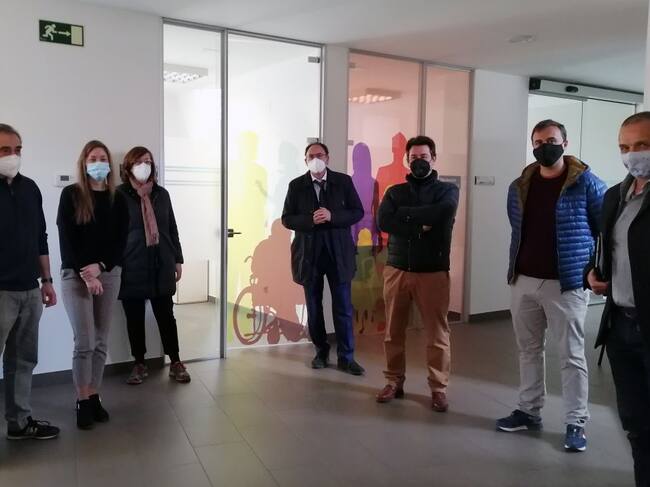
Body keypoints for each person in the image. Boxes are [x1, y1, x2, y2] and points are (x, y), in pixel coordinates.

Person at [497, 119, 606, 452]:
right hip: (524, 280)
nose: (546, 146)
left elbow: (604, 231)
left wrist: (593, 270)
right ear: (532, 145)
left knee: (571, 355)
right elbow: (517, 228)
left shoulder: (588, 184)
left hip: (567, 284)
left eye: (552, 140)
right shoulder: (519, 185)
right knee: (529, 350)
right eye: (539, 141)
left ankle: (576, 421)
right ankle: (529, 411)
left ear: (565, 143)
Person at [586, 112, 650, 486]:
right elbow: (606, 248)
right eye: (624, 147)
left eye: (642, 145)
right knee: (637, 425)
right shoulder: (616, 196)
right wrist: (592, 273)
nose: (632, 154)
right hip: (620, 327)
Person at [375, 135, 459, 412]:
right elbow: (383, 221)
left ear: (433, 158)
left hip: (433, 272)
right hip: (397, 269)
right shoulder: (394, 192)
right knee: (393, 332)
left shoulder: (448, 191)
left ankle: (438, 388)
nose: (419, 162)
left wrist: (404, 215)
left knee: (437, 334)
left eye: (424, 157)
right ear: (406, 160)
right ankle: (393, 381)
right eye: (414, 158)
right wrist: (417, 226)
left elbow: (443, 213)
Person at [57, 140, 128, 429]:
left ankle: (94, 394)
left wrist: (101, 267)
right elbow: (67, 239)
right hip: (75, 275)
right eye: (93, 158)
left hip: (108, 274)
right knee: (84, 341)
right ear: (84, 163)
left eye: (102, 158)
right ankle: (82, 399)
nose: (98, 162)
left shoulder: (118, 199)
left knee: (100, 340)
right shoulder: (71, 195)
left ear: (109, 164)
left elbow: (120, 241)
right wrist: (87, 274)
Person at [282, 142, 365, 375]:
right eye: (311, 156)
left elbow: (357, 212)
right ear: (305, 160)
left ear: (328, 158)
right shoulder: (296, 185)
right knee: (314, 307)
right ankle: (321, 351)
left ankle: (347, 357)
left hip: (338, 253)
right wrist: (310, 220)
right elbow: (287, 218)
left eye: (320, 155)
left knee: (343, 307)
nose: (315, 159)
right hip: (309, 255)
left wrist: (332, 216)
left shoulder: (343, 181)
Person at [0, 123, 60, 440]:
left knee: (22, 360)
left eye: (17, 150)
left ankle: (19, 423)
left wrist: (46, 280)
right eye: (4, 150)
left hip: (29, 290)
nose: (13, 156)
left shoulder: (30, 188)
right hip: (1, 293)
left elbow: (41, 237)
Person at [117, 146, 190, 385]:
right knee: (134, 318)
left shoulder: (162, 194)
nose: (144, 166)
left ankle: (176, 361)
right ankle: (139, 363)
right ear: (128, 166)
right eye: (139, 161)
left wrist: (177, 259)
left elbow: (172, 228)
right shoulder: (118, 195)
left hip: (162, 264)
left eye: (148, 161)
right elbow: (113, 234)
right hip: (132, 266)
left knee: (166, 316)